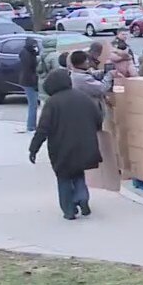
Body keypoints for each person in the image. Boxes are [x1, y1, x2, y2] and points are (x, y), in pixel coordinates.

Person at [28, 68, 102, 220]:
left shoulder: (52, 103)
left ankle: (69, 210)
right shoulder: (83, 97)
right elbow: (98, 118)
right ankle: (82, 197)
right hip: (85, 145)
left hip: (61, 147)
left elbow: (43, 129)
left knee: (64, 177)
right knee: (79, 173)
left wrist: (33, 149)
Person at [69, 50, 114, 117]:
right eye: (86, 60)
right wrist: (109, 75)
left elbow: (91, 74)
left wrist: (104, 72)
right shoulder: (81, 78)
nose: (88, 62)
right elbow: (102, 88)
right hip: (90, 110)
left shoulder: (77, 73)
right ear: (80, 63)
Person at [19, 37, 40, 132]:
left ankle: (31, 125)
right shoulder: (27, 55)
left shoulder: (26, 52)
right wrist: (34, 84)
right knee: (33, 104)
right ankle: (31, 126)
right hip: (29, 82)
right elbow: (30, 70)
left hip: (26, 80)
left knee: (33, 104)